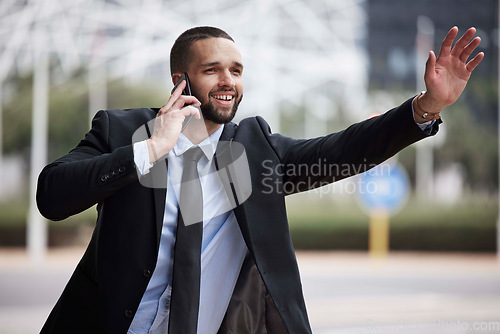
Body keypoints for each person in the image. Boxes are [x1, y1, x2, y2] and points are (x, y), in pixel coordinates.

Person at [37, 26, 483, 333]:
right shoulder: (123, 129)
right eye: (213, 69)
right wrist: (151, 148)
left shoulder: (253, 150)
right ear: (181, 79)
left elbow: (344, 151)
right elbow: (52, 195)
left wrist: (425, 107)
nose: (228, 80)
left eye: (236, 69)